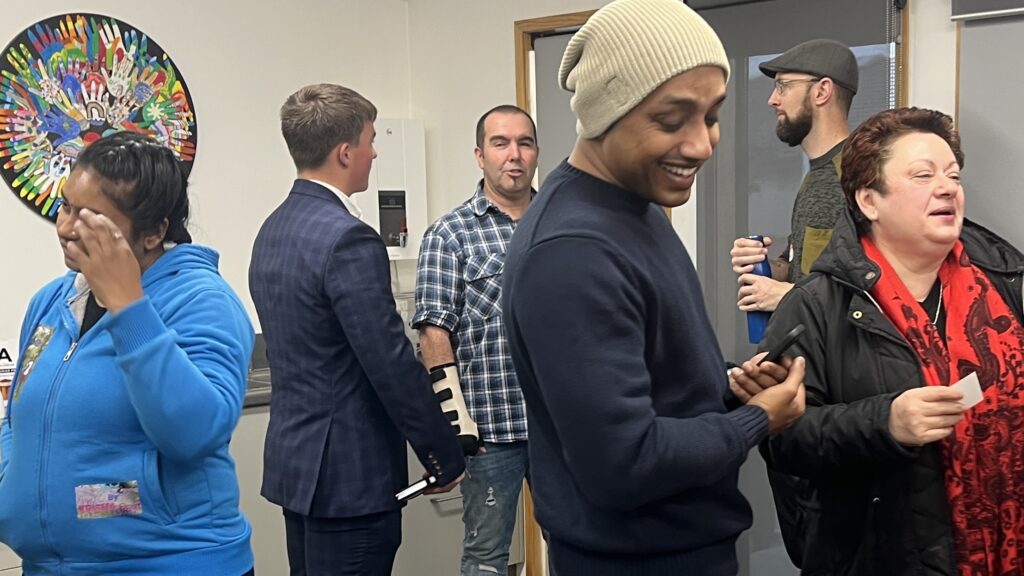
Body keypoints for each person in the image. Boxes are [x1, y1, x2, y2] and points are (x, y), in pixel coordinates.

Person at [502, 1, 806, 574]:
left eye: (712, 115)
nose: (701, 145)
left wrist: (726, 391)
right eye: (671, 121)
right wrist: (758, 418)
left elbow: (654, 385)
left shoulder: (634, 210)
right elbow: (623, 464)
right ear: (601, 113)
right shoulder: (572, 252)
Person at [752, 107, 1024, 575]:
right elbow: (781, 438)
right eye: (923, 175)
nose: (947, 188)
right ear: (868, 201)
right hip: (882, 556)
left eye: (953, 176)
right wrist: (885, 422)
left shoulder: (1007, 283)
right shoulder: (816, 305)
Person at [0, 131, 256, 575]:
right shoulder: (51, 302)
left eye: (90, 217)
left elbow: (193, 433)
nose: (65, 229)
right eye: (65, 207)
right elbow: (16, 417)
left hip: (171, 563)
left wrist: (128, 306)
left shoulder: (202, 300)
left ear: (154, 231)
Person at [249, 83, 465, 576]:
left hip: (298, 470)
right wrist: (441, 453)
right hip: (351, 480)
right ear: (345, 153)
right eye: (370, 139)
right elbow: (389, 362)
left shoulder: (274, 229)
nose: (375, 152)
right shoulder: (348, 238)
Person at [412, 104, 538, 576]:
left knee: (576, 543)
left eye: (524, 143)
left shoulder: (557, 222)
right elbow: (433, 332)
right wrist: (456, 421)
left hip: (557, 429)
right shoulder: (450, 234)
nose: (514, 155)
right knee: (486, 559)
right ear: (479, 155)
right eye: (501, 143)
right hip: (490, 434)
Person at [731, 39, 858, 313]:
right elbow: (802, 270)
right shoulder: (816, 175)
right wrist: (763, 265)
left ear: (822, 91)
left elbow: (878, 295)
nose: (772, 99)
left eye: (783, 86)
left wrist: (789, 296)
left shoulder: (857, 175)